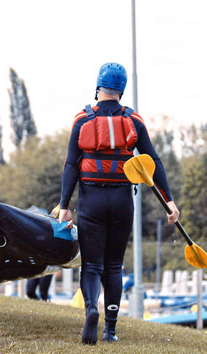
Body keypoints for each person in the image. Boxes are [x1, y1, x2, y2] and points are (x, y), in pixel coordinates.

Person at [58, 63, 179, 345]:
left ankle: (91, 309)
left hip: (92, 201)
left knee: (91, 266)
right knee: (114, 266)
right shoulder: (133, 120)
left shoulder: (82, 120)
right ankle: (110, 330)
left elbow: (71, 165)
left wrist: (64, 204)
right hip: (122, 201)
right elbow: (153, 162)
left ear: (98, 87)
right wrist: (169, 201)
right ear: (121, 91)